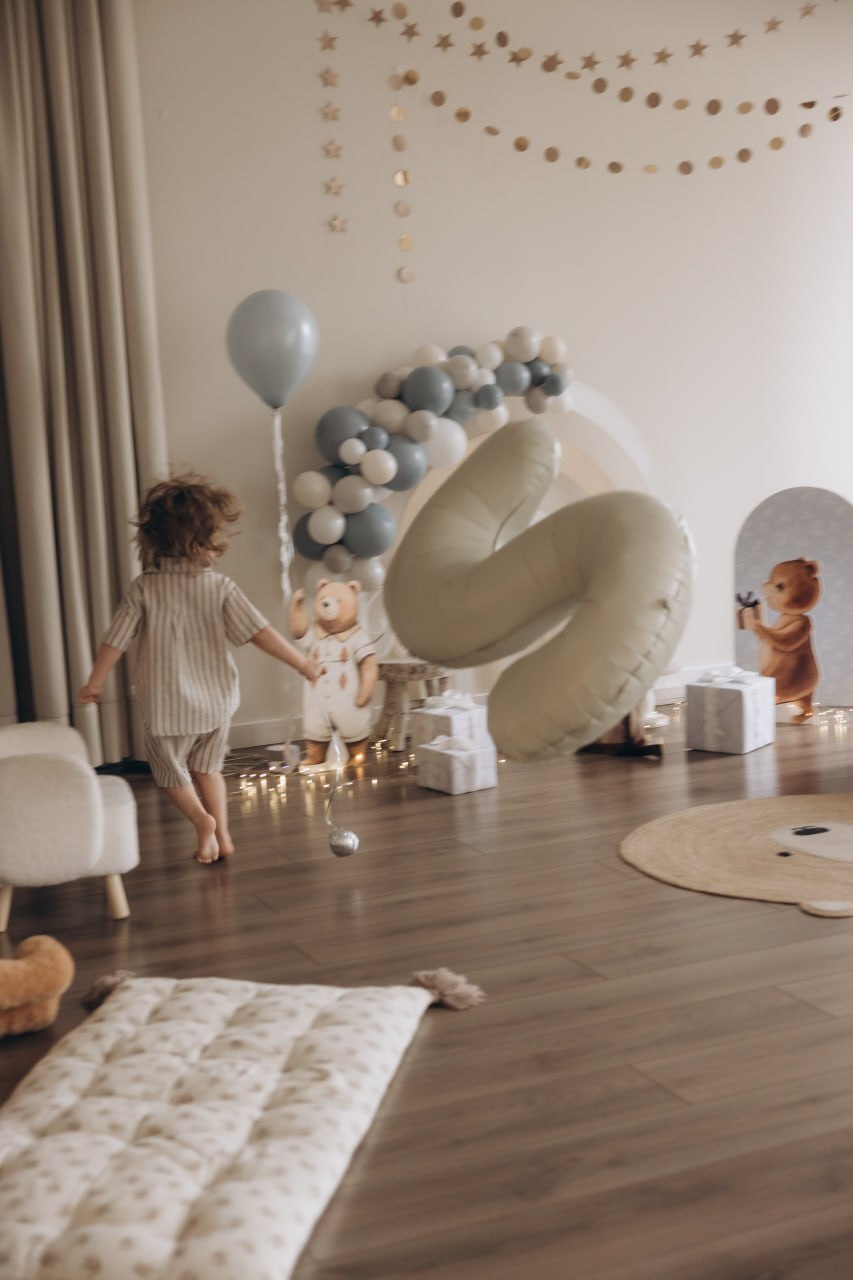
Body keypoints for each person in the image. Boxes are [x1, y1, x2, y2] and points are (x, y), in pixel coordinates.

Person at [79, 474, 317, 864]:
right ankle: (222, 836)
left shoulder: (144, 589)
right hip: (215, 703)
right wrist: (302, 663)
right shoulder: (220, 586)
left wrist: (95, 681)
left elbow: (115, 640)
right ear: (207, 538)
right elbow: (260, 633)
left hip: (166, 708)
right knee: (209, 769)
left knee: (171, 774)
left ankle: (201, 821)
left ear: (152, 538)